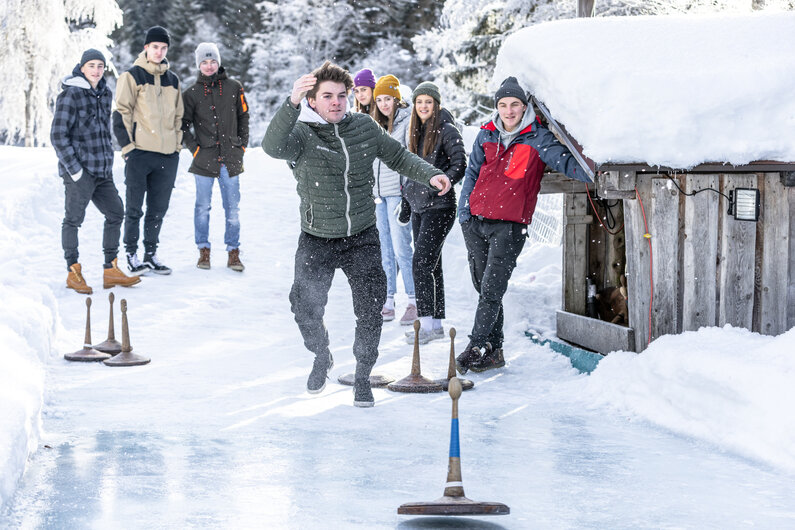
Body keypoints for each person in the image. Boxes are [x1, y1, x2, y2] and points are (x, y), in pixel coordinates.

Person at [261, 61, 451, 407]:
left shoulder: (363, 127)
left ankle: (363, 374)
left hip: (361, 236)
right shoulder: (302, 134)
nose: (336, 102)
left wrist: (430, 174)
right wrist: (290, 103)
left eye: (341, 96)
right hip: (317, 236)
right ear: (313, 101)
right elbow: (271, 146)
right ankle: (321, 355)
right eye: (327, 96)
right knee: (304, 306)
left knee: (370, 307)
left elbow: (398, 156)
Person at [455, 76, 591, 374]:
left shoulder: (537, 137)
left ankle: (477, 344)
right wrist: (463, 213)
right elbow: (472, 174)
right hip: (475, 222)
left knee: (491, 290)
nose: (509, 110)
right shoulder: (486, 134)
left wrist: (596, 171)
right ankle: (493, 349)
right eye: (503, 104)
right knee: (485, 288)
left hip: (509, 226)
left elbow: (567, 162)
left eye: (514, 104)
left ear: (524, 106)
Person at [51, 49, 141, 294]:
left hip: (102, 172)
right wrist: (75, 170)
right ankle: (73, 272)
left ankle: (110, 269)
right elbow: (58, 136)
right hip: (79, 172)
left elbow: (103, 134)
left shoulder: (105, 92)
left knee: (115, 213)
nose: (97, 70)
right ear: (82, 68)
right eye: (91, 65)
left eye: (100, 66)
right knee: (73, 220)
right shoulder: (70, 95)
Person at [113, 25, 183, 275]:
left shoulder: (173, 80)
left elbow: (179, 118)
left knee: (157, 210)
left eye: (163, 48)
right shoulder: (131, 76)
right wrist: (128, 148)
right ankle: (131, 254)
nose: (159, 51)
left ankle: (150, 254)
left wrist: (176, 146)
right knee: (134, 209)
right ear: (146, 48)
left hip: (167, 157)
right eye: (155, 47)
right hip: (140, 154)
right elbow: (121, 113)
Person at [403, 81, 467, 344]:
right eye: (419, 102)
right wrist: (407, 202)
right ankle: (437, 324)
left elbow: (460, 162)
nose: (423, 106)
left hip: (439, 208)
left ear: (436, 104)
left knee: (420, 264)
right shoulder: (416, 132)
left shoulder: (447, 129)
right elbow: (410, 171)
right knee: (432, 265)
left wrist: (447, 180)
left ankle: (426, 325)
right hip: (419, 208)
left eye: (428, 102)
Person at [182, 42, 250, 272]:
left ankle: (233, 252)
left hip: (231, 159)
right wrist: (196, 150)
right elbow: (182, 126)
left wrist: (241, 147)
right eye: (204, 62)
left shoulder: (234, 87)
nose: (209, 66)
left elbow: (244, 117)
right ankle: (203, 250)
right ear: (198, 65)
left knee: (232, 209)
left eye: (212, 61)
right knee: (202, 207)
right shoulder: (191, 94)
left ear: (218, 62)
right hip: (204, 160)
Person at [370, 74, 417, 325]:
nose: (384, 104)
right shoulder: (375, 125)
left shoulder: (406, 123)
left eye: (388, 99)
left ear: (397, 99)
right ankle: (388, 299)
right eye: (380, 100)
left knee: (402, 250)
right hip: (379, 196)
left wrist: (406, 193)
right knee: (384, 251)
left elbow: (410, 160)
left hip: (398, 194)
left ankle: (413, 300)